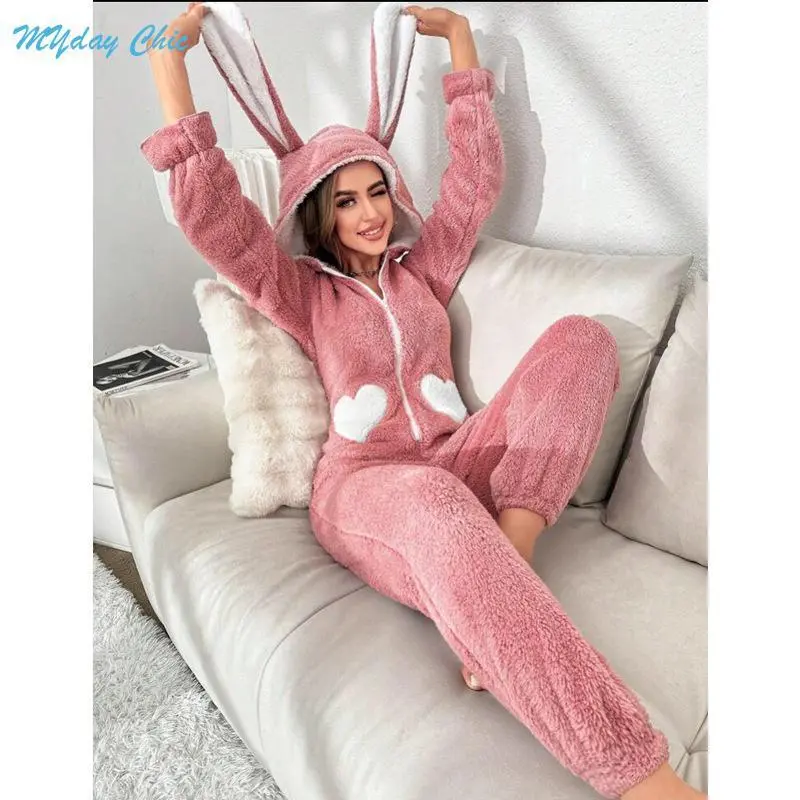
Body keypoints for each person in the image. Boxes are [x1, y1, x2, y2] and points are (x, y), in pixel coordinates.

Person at [141, 4, 706, 799]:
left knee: (584, 339)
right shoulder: (298, 291)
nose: (370, 212)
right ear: (318, 212)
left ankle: (507, 561)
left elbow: (474, 183)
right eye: (346, 200)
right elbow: (217, 221)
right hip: (367, 485)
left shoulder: (422, 270)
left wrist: (463, 50)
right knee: (436, 503)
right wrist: (170, 67)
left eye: (377, 191)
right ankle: (646, 779)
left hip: (455, 456)